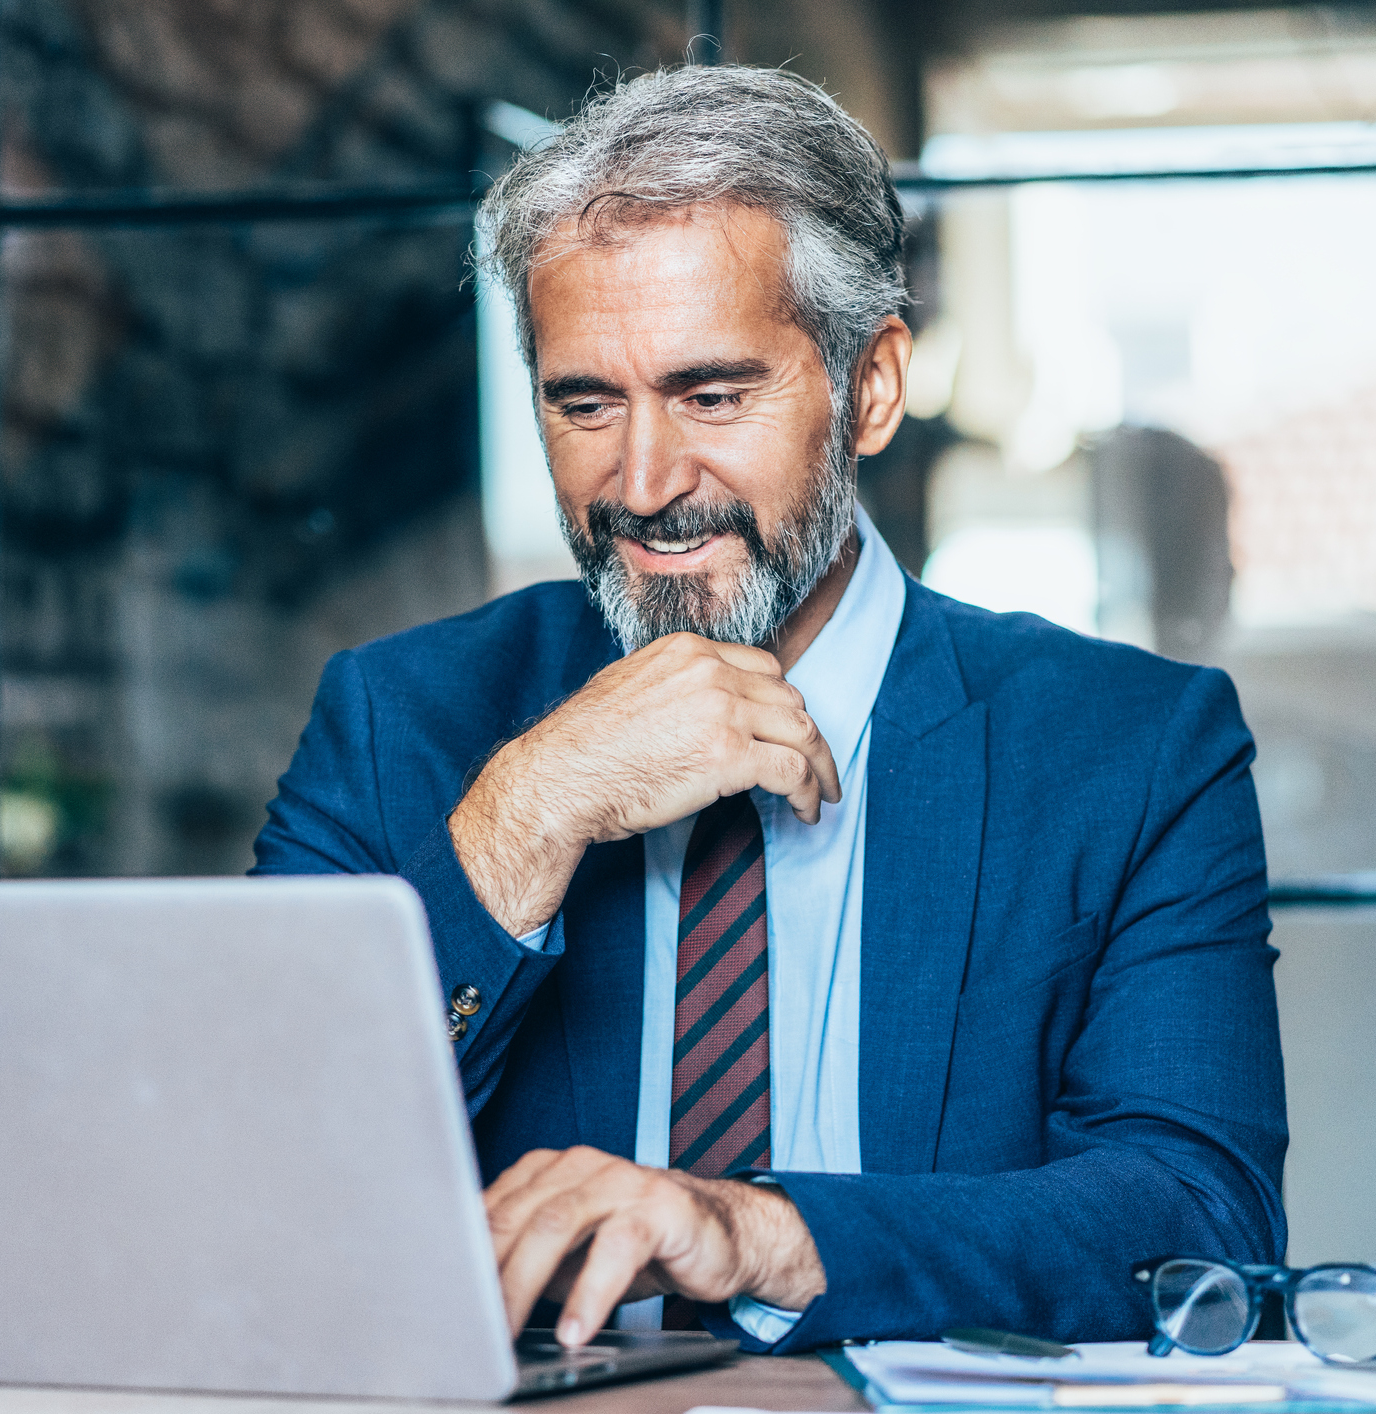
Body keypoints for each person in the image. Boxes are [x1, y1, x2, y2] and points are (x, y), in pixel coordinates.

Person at [253, 65, 1286, 1355]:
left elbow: (1201, 1219)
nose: (643, 481)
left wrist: (756, 1233)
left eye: (712, 395)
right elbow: (254, 1192)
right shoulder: (395, 718)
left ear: (872, 388)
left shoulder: (1132, 750)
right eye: (585, 403)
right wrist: (528, 813)